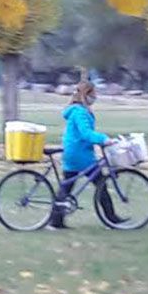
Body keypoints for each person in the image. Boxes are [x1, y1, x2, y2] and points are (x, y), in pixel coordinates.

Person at [52, 81, 121, 229]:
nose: (96, 96)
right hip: (80, 154)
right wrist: (104, 139)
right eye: (94, 93)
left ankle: (56, 221)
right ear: (86, 94)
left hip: (72, 151)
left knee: (67, 186)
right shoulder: (80, 112)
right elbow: (86, 133)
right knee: (101, 183)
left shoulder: (76, 110)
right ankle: (111, 219)